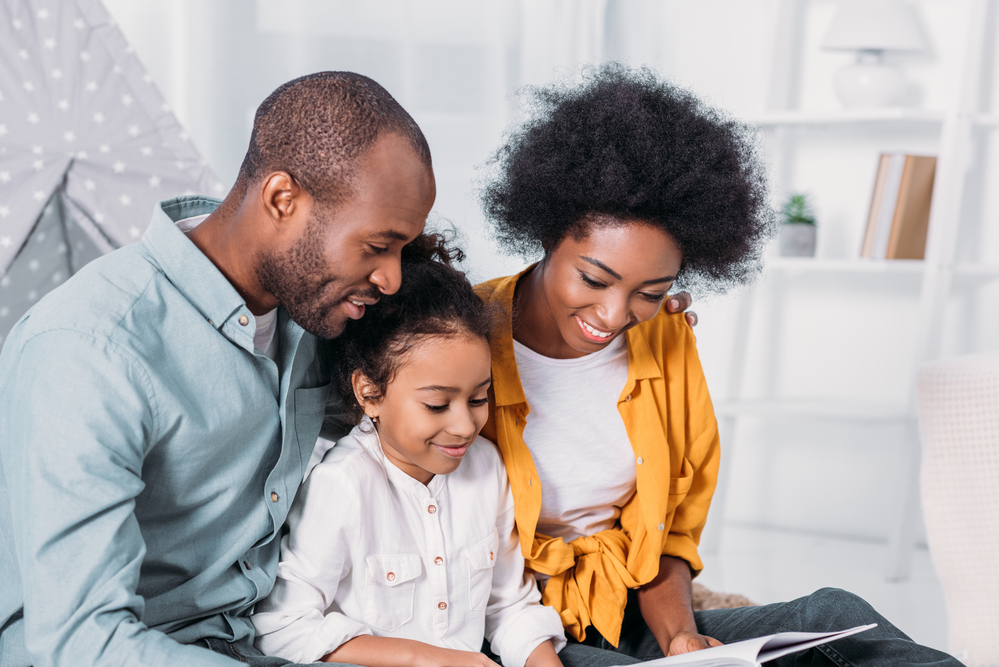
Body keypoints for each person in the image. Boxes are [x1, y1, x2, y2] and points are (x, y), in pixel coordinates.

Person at [475, 64, 963, 666]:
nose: (614, 313)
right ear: (547, 232)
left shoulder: (666, 338)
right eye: (593, 278)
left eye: (649, 291)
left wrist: (681, 637)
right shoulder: (457, 335)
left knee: (839, 616)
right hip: (511, 625)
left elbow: (667, 530)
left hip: (624, 609)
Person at [0, 72, 436, 667]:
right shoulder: (88, 348)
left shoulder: (310, 310)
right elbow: (82, 642)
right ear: (283, 200)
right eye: (376, 246)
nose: (391, 278)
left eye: (401, 250)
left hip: (252, 642)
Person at [250, 234, 571, 667]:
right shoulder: (342, 484)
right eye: (437, 405)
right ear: (370, 394)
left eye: (479, 399)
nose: (464, 426)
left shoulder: (487, 468)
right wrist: (426, 659)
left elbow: (508, 607)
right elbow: (283, 629)